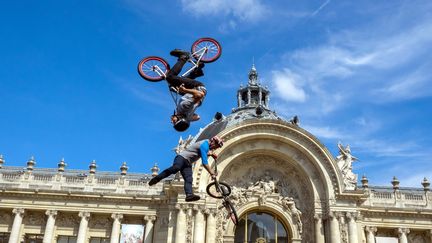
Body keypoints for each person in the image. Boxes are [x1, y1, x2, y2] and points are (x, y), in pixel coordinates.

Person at [148, 136, 224, 202]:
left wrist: (210, 153)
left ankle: (189, 195)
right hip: (181, 158)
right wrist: (212, 173)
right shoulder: (204, 145)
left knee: (189, 179)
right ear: (213, 142)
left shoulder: (205, 145)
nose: (214, 148)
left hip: (187, 163)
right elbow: (204, 162)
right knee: (176, 168)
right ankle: (157, 178)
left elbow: (198, 152)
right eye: (215, 147)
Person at [167, 49, 207, 132]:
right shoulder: (185, 108)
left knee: (173, 87)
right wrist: (184, 90)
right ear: (180, 120)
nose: (171, 121)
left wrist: (189, 119)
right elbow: (200, 95)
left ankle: (197, 71)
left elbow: (198, 117)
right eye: (174, 122)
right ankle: (184, 57)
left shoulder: (184, 114)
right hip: (197, 87)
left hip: (192, 92)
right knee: (170, 77)